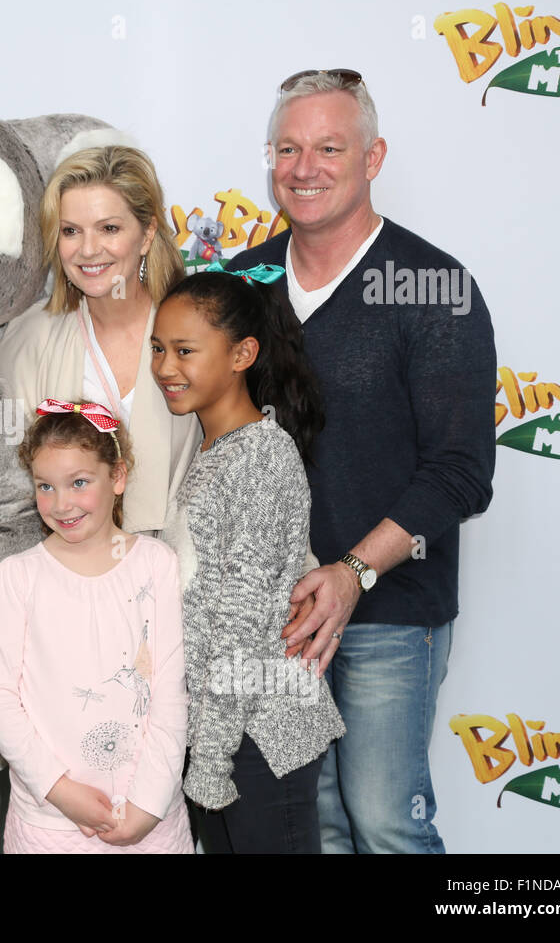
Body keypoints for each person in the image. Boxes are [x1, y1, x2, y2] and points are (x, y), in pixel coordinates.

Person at [228, 69, 496, 853]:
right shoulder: (242, 284)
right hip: (276, 620)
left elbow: (462, 470)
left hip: (388, 609)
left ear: (373, 158)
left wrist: (352, 573)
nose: (303, 166)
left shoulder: (434, 288)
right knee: (316, 825)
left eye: (328, 147)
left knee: (386, 822)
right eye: (287, 148)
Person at [153, 266, 344, 853]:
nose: (165, 367)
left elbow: (239, 625)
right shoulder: (215, 449)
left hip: (258, 735)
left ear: (243, 355)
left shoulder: (261, 457)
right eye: (158, 349)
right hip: (222, 729)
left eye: (185, 350)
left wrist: (210, 758)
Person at [0, 400, 192, 853]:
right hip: (50, 824)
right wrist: (61, 792)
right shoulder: (19, 577)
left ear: (117, 476)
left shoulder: (156, 566)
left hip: (149, 819)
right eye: (45, 486)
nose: (62, 504)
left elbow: (170, 694)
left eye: (79, 483)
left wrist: (147, 805)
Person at [0, 145, 188, 534]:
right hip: (62, 577)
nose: (89, 249)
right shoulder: (27, 340)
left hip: (182, 577)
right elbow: (5, 485)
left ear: (146, 235)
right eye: (71, 231)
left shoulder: (201, 332)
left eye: (109, 228)